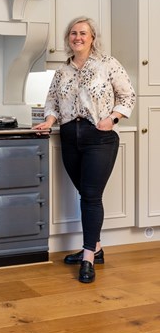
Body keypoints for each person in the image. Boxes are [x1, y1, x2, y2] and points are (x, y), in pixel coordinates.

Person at [34, 16, 136, 284]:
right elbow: (52, 102)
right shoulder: (62, 71)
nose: (77, 37)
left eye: (83, 33)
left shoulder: (107, 64)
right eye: (73, 33)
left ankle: (88, 257)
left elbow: (128, 96)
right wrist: (49, 120)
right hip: (70, 137)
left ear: (92, 37)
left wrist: (111, 119)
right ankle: (96, 248)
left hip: (99, 138)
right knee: (86, 194)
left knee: (91, 196)